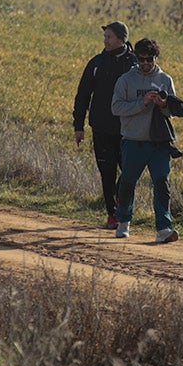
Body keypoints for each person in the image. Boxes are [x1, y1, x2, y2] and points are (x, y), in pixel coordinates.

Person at [111, 37, 180, 243]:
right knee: (128, 183)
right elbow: (116, 108)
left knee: (161, 184)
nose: (145, 63)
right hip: (133, 141)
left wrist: (161, 104)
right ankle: (123, 221)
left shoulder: (165, 79)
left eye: (149, 59)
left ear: (155, 58)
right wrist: (142, 103)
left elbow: (173, 111)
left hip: (159, 143)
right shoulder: (125, 80)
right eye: (141, 59)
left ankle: (164, 228)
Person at [73, 21, 138, 229]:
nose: (105, 41)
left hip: (127, 130)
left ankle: (122, 205)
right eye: (105, 37)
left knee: (130, 171)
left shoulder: (135, 64)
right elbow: (82, 95)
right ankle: (113, 215)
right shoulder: (96, 63)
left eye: (109, 37)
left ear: (121, 39)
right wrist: (78, 126)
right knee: (107, 172)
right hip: (100, 127)